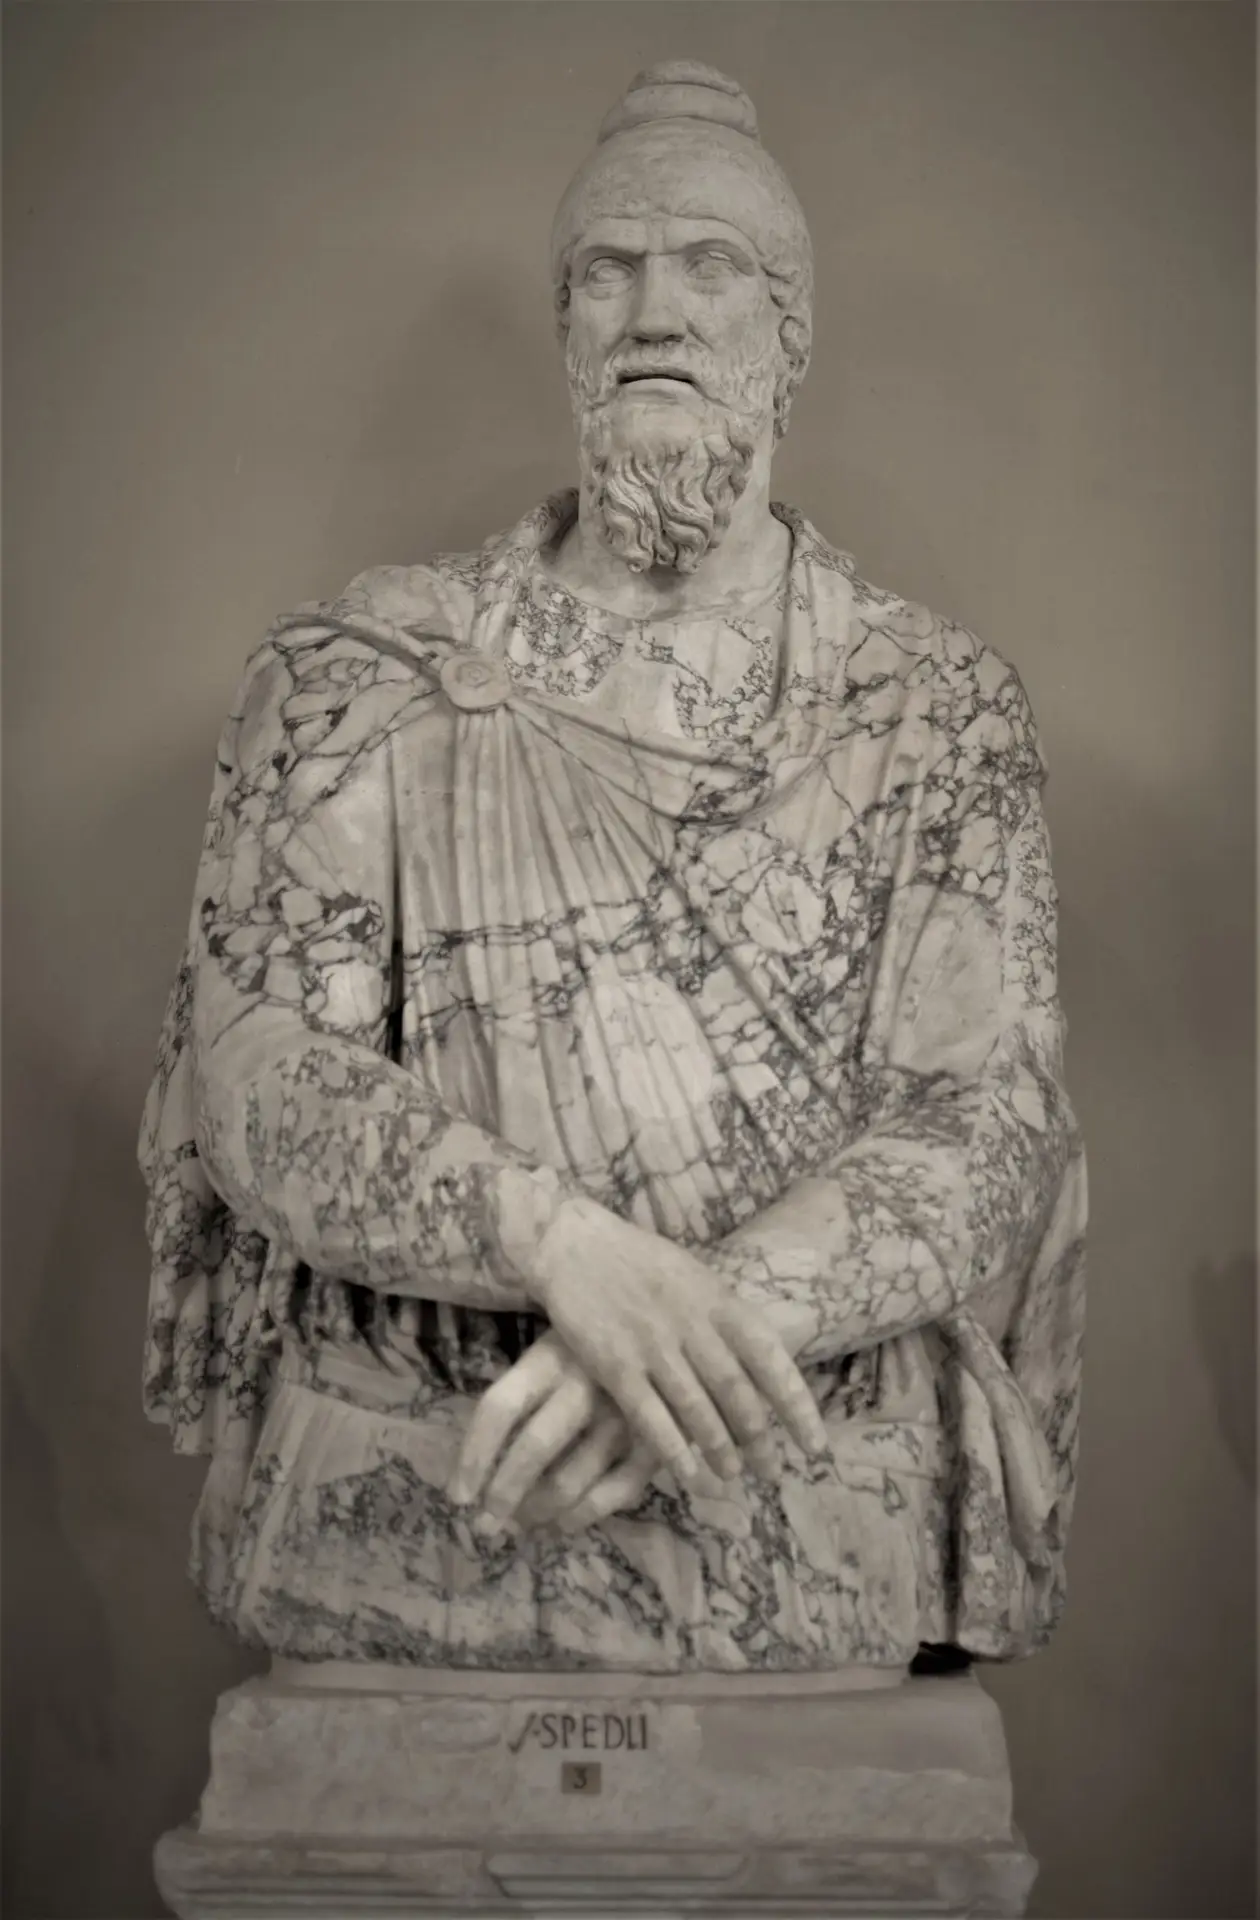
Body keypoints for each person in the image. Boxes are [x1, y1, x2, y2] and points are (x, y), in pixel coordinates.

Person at [140, 61, 1086, 1675]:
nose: (655, 312)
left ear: (791, 337)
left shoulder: (932, 707)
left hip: (802, 1480)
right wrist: (567, 1257)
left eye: (710, 266)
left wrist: (694, 1343)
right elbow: (262, 1070)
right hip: (429, 1468)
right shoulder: (370, 673)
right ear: (566, 330)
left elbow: (981, 1120)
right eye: (606, 271)